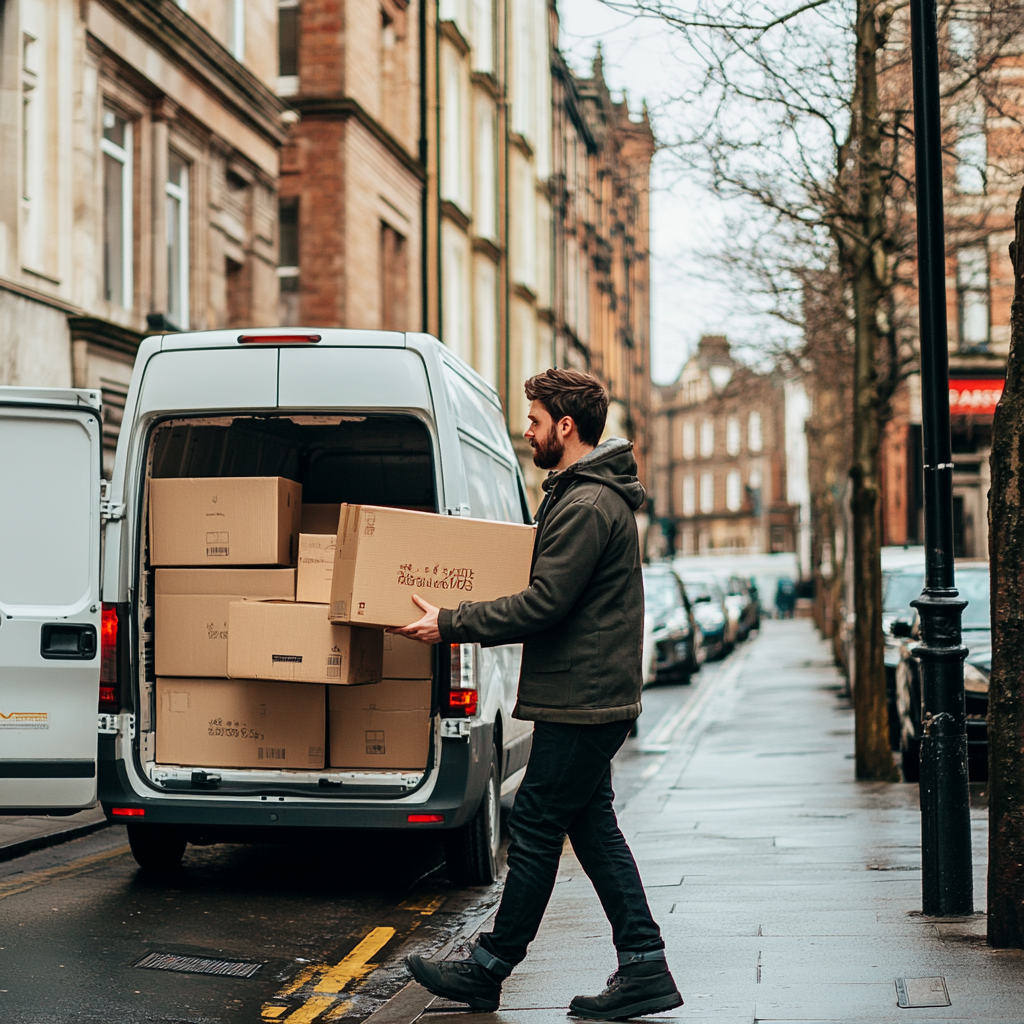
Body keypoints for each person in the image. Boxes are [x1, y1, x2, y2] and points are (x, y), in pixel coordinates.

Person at [391, 369, 682, 1020]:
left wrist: (450, 622)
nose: (527, 431)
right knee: (593, 828)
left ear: (565, 426)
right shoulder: (582, 496)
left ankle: (490, 966)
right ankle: (643, 964)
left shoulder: (586, 504)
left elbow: (545, 603)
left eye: (533, 419)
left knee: (535, 826)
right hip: (585, 694)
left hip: (582, 699)